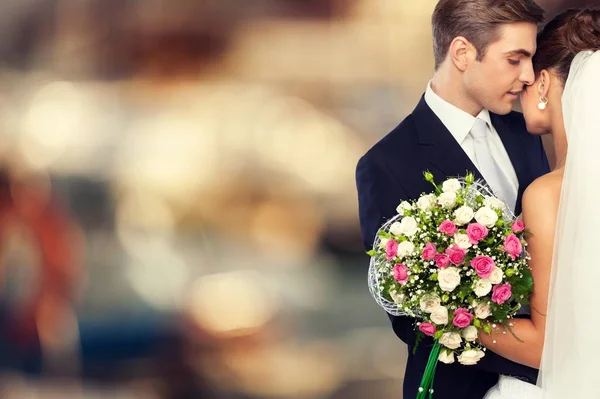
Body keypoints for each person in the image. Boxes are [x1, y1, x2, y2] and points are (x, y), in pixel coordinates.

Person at [355, 0, 550, 397]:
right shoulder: (385, 163)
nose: (528, 75)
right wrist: (537, 352)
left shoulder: (526, 131)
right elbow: (406, 312)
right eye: (515, 59)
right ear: (462, 53)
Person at [478, 8, 600, 399]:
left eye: (530, 71)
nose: (524, 80)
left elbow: (545, 346)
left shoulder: (550, 194)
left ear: (545, 82)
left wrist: (448, 313)